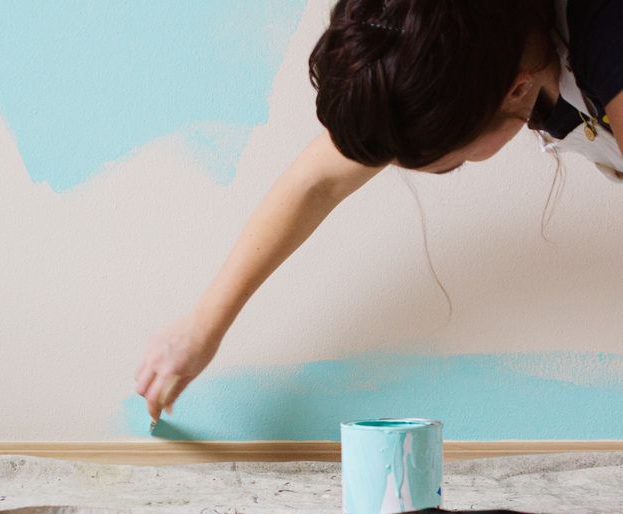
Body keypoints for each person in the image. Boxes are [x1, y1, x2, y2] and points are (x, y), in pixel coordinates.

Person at [135, 0, 623, 424]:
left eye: (448, 164)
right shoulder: (454, 35)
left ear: (514, 90)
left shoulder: (607, 42)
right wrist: (202, 327)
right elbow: (318, 180)